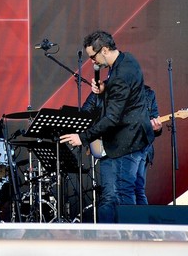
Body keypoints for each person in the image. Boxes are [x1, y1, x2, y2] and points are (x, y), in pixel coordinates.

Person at [59, 30, 154, 223]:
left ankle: (133, 243)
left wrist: (83, 137)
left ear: (104, 50)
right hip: (134, 138)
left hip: (128, 141)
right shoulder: (127, 60)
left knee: (124, 193)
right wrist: (105, 89)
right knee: (127, 191)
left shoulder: (120, 74)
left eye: (93, 57)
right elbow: (123, 96)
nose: (92, 62)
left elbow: (112, 117)